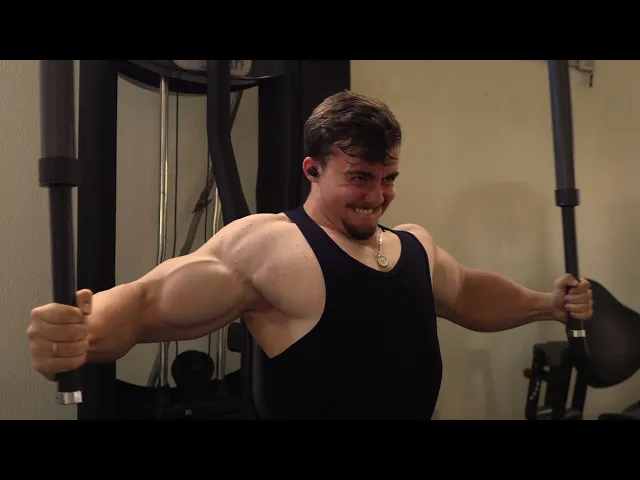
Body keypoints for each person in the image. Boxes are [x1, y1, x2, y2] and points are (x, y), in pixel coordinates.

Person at [27, 90, 593, 420]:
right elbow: (149, 301)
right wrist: (83, 331)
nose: (377, 196)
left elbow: (467, 292)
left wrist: (546, 305)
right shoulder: (273, 246)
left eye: (389, 177)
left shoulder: (412, 243)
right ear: (312, 170)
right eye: (360, 177)